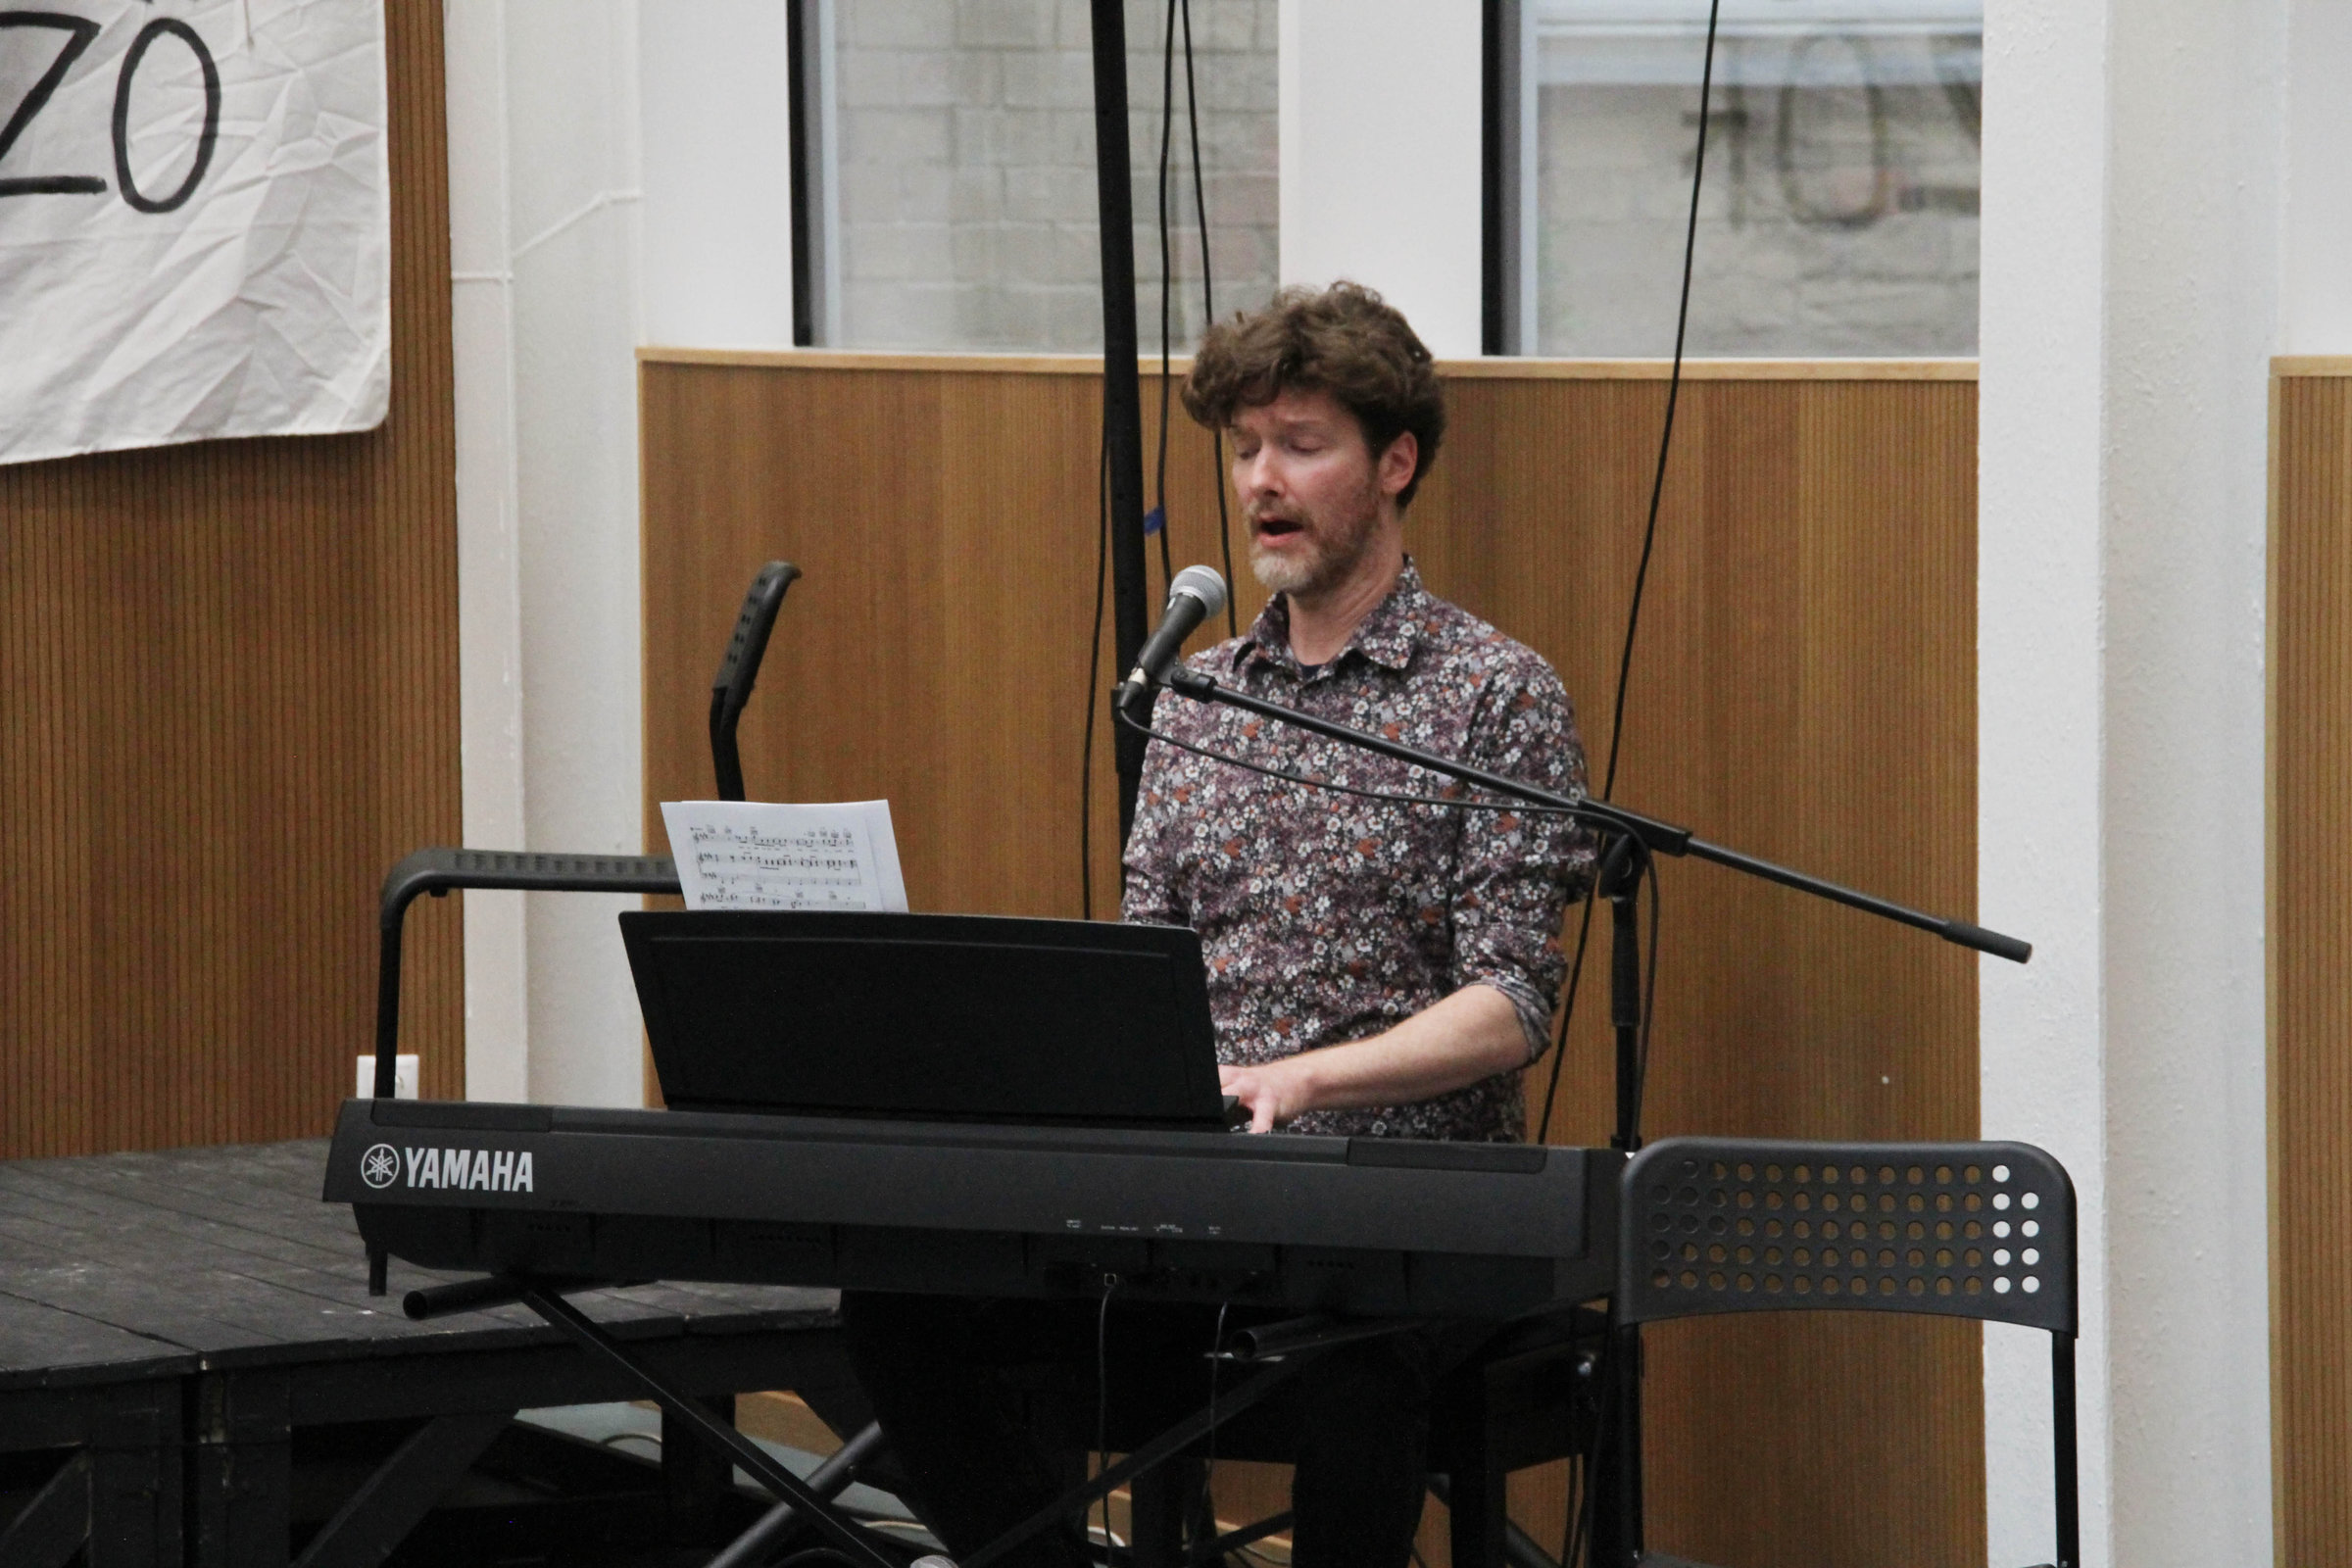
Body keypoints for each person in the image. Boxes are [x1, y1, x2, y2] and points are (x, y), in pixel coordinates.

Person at [843, 282, 1593, 1568]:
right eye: (1245, 449)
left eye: (1301, 444)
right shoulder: (1197, 699)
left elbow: (1513, 1003)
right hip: (1203, 1214)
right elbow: (1151, 964)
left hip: (1404, 1224)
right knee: (901, 1312)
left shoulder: (1494, 695)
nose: (1261, 481)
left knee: (1354, 1369)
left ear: (1396, 463)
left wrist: (1304, 1080)